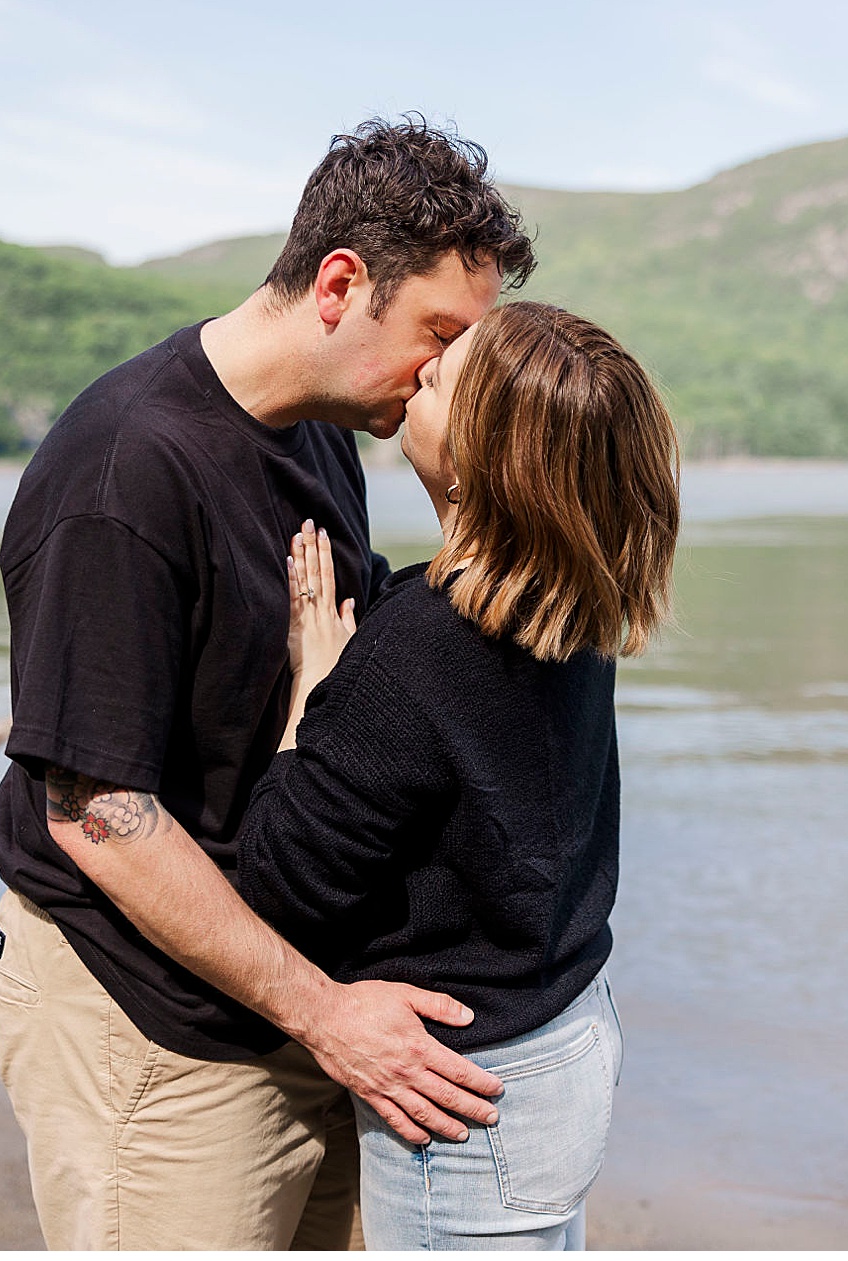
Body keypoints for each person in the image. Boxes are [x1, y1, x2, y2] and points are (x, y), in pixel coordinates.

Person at [0, 117, 537, 1250]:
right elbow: (96, 817)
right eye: (438, 334)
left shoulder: (324, 426)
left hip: (289, 996)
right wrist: (324, 1017)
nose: (447, 377)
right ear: (341, 284)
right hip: (152, 1018)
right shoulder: (123, 475)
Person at [237, 301, 682, 1249]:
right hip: (563, 1037)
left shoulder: (414, 653)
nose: (427, 365)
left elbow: (278, 877)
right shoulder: (571, 596)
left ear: (490, 457)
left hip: (466, 1098)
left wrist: (316, 685)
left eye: (452, 372)